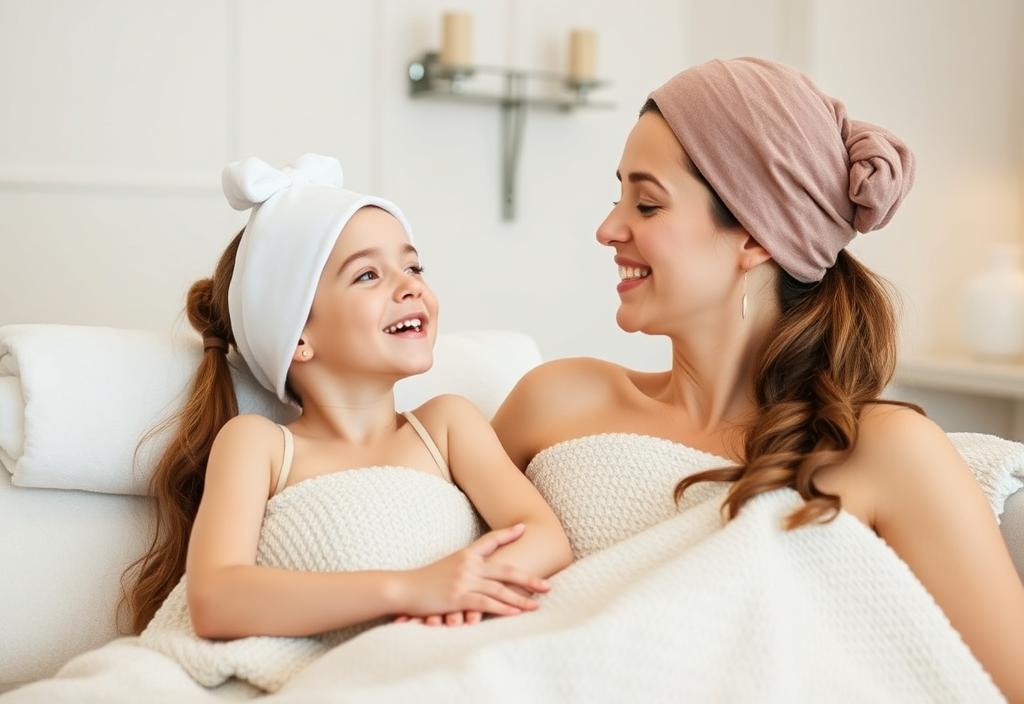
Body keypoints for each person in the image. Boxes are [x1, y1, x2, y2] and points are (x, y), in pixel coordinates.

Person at [492, 58, 1024, 700]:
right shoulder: (553, 399)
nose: (609, 229)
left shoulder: (885, 451)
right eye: (618, 198)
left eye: (648, 203)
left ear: (753, 235)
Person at [122, 153, 572, 690]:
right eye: (367, 275)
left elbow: (546, 538)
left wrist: (460, 590)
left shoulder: (447, 426)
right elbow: (216, 599)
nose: (409, 286)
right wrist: (413, 589)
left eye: (413, 266)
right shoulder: (258, 444)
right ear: (298, 336)